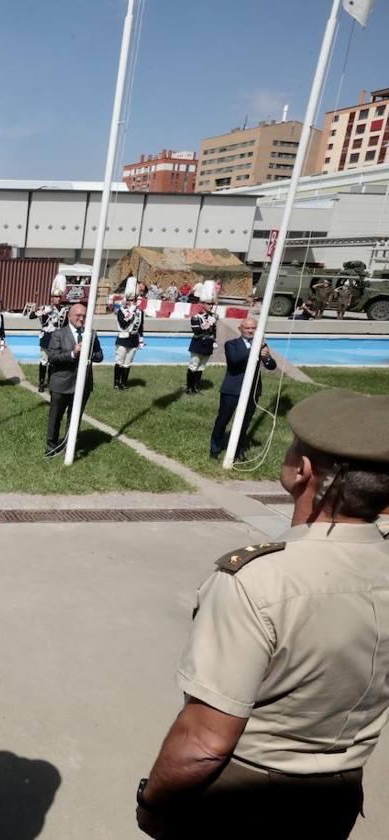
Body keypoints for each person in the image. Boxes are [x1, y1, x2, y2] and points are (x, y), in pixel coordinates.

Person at [136, 389, 389, 840]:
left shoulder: (259, 580)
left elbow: (204, 744)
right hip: (339, 796)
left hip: (244, 799)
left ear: (303, 472)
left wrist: (152, 801)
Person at [209, 317, 277, 460]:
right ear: (240, 329)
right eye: (247, 328)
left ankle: (238, 450)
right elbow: (234, 361)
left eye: (253, 328)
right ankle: (215, 448)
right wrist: (255, 349)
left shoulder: (262, 346)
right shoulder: (231, 344)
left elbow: (271, 366)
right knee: (223, 420)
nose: (250, 331)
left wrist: (267, 358)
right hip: (232, 390)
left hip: (252, 391)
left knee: (245, 423)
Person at [45, 302, 103, 457]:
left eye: (84, 316)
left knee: (75, 417)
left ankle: (70, 447)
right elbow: (52, 358)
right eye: (78, 315)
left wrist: (89, 353)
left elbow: (100, 355)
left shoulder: (91, 333)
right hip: (61, 383)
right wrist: (72, 353)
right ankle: (51, 447)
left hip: (82, 384)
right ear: (70, 316)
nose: (81, 319)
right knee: (55, 417)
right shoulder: (58, 334)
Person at [30, 277, 67, 393]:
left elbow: (64, 326)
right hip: (46, 338)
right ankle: (41, 383)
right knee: (44, 360)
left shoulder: (64, 310)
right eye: (54, 297)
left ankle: (51, 382)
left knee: (53, 362)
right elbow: (31, 316)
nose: (55, 299)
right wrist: (42, 311)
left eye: (57, 297)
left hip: (57, 339)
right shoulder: (46, 308)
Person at [186, 282, 218, 395]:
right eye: (209, 304)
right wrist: (207, 325)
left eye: (212, 304)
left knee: (201, 367)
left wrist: (214, 340)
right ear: (202, 304)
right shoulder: (196, 317)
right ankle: (189, 387)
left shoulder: (213, 317)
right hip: (198, 343)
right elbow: (196, 331)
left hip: (208, 344)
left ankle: (196, 387)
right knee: (194, 365)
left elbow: (214, 331)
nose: (211, 306)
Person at [113, 277, 145, 391]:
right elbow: (123, 324)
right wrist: (131, 311)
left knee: (128, 362)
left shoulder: (140, 312)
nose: (132, 302)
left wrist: (141, 340)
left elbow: (140, 326)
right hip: (123, 339)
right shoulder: (121, 311)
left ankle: (124, 383)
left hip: (133, 339)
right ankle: (116, 382)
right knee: (120, 361)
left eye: (134, 300)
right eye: (130, 300)